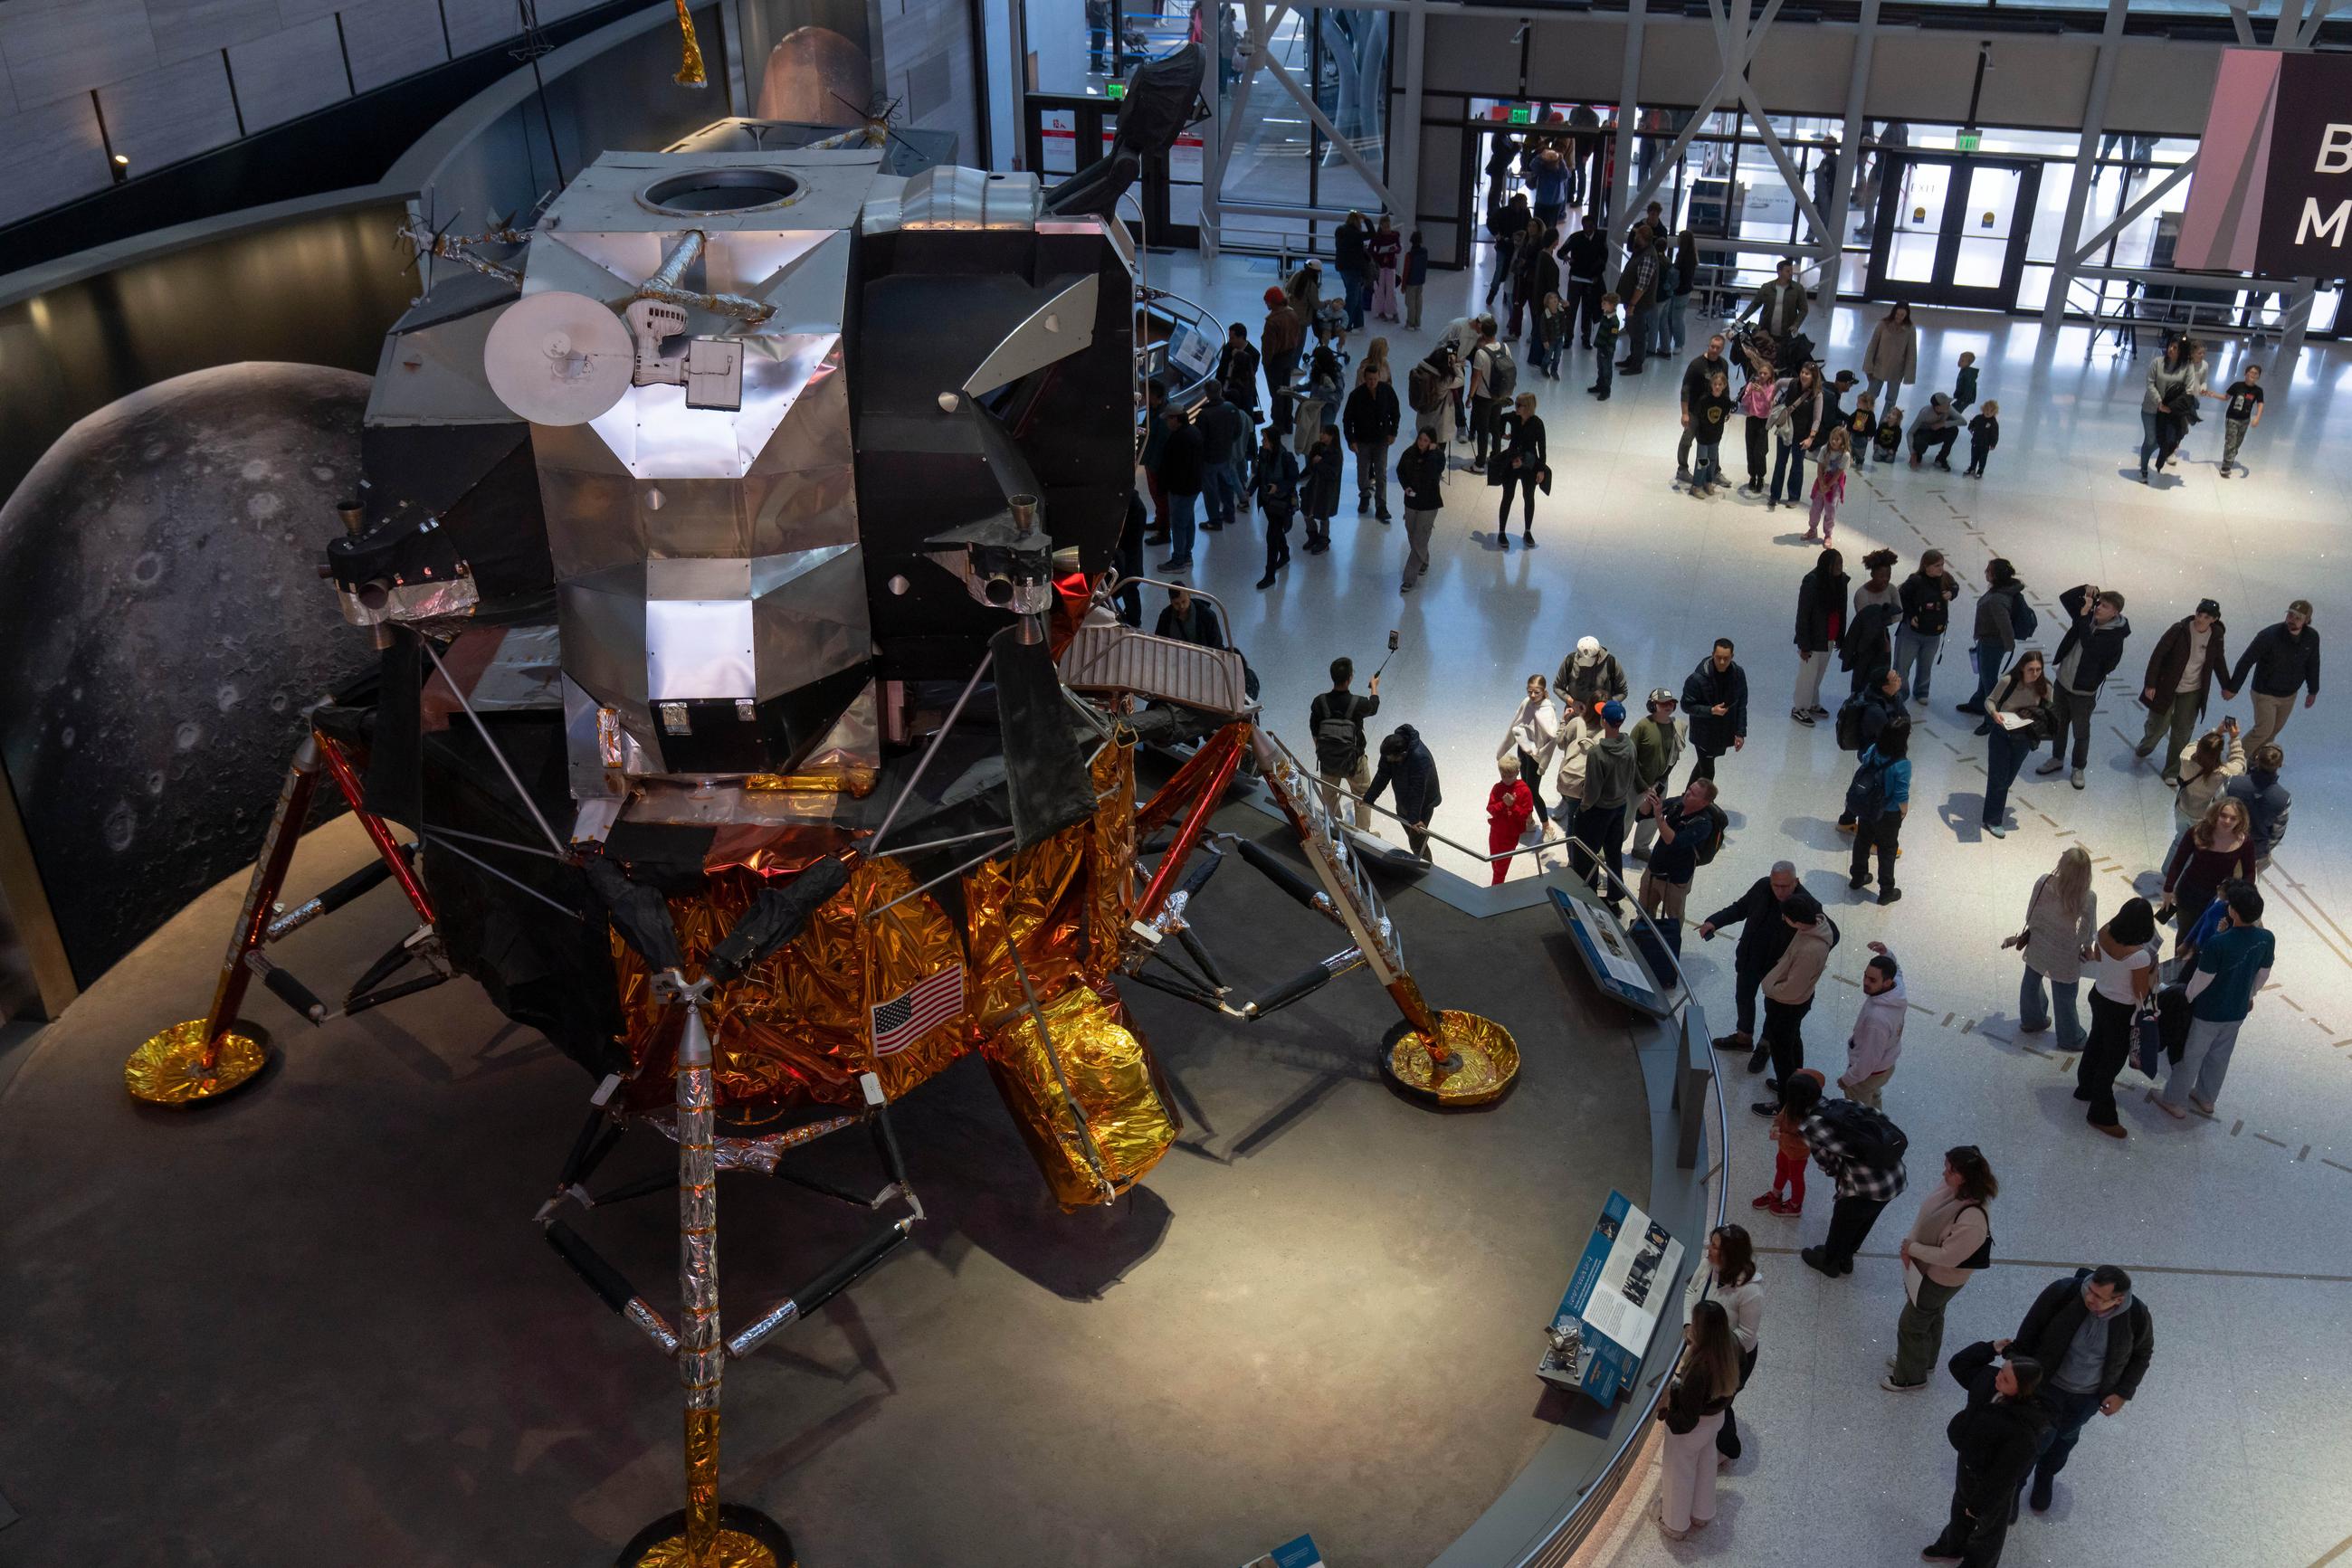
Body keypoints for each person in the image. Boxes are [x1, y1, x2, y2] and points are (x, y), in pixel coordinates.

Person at [1997, 1265, 2154, 1514]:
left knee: (2064, 1439)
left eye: (2099, 1297)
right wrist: (2018, 1371)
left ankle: (2045, 1476)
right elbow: (2030, 1330)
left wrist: (2123, 1393)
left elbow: (2142, 1354)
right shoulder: (2063, 1293)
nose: (2089, 1298)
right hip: (2045, 1387)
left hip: (2087, 1397)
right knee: (2031, 1439)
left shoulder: (2136, 1315)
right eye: (2089, 1290)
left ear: (2118, 1300)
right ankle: (2016, 1484)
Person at [2152, 879, 2273, 1118]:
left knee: (2192, 1056)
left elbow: (2203, 977)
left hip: (2208, 1010)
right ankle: (2207, 1098)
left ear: (2234, 912)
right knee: (2220, 1056)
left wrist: (2186, 996)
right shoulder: (2267, 938)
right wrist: (2250, 995)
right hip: (2237, 1010)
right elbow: (2263, 973)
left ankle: (2174, 1101)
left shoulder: (2219, 942)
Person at [1920, 1347, 2049, 1566]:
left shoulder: (2023, 1431)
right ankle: (1952, 1547)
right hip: (1968, 1465)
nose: (1998, 1377)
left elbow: (2003, 1476)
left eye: (2006, 1379)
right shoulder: (1989, 1382)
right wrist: (1991, 1347)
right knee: (1960, 1509)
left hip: (1990, 1483)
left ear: (2022, 1389)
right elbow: (1959, 1364)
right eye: (2001, 1371)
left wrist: (1979, 1504)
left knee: (1989, 1531)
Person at [1884, 1146, 1998, 1394]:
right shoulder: (1952, 1190)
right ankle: (1922, 1361)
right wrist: (1910, 1245)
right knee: (1931, 1315)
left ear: (1966, 1177)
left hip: (1942, 1278)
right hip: (1926, 1267)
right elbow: (1924, 1216)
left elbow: (1950, 1256)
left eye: (1950, 1170)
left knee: (1912, 1323)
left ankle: (1910, 1377)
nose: (1943, 1174)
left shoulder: (1973, 1220)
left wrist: (1913, 1249)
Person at [1790, 1070, 1906, 1276]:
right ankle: (1847, 1257)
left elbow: (1828, 1163)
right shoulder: (1843, 1104)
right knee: (1865, 1221)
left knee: (1843, 1222)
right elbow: (1880, 1117)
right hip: (1895, 1176)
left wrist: (1842, 1177)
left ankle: (1830, 1262)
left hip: (1865, 1187)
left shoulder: (1811, 1125)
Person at [1655, 1299, 1741, 1540]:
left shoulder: (1699, 1369)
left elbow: (1684, 1421)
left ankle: (1674, 1524)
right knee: (1706, 1462)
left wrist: (1666, 1409)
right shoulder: (1732, 1346)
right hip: (1715, 1420)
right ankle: (1702, 1513)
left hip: (1692, 1429)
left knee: (1678, 1472)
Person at [1701, 860, 1799, 1059]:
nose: (1779, 892)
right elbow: (1741, 908)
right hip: (1750, 958)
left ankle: (1765, 1045)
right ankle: (1743, 1037)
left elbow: (1831, 934)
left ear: (1795, 882)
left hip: (1778, 969)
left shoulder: (1806, 903)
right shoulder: (1763, 886)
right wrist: (1715, 921)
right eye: (1775, 885)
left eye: (1784, 886)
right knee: (1744, 997)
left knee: (1773, 1007)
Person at [1681, 1224, 1764, 1461]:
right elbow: (1690, 1291)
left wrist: (1709, 1341)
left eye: (1715, 1246)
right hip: (1705, 1351)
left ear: (1730, 1253)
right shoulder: (1708, 1266)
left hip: (1732, 1360)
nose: (1709, 1249)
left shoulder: (1751, 1292)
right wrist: (1689, 1325)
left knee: (1721, 1402)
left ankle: (1728, 1448)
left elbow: (1747, 1336)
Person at [2036, 584, 2129, 790]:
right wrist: (2087, 589)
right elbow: (2066, 597)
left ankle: (2078, 767)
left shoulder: (2114, 636)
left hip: (2084, 691)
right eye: (2099, 604)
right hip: (2063, 682)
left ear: (2115, 612)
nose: (2098, 608)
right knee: (2059, 724)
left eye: (2104, 606)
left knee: (2081, 732)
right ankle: (2057, 758)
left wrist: (2084, 616)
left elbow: (2090, 647)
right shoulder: (2087, 617)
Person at [2008, 846, 2099, 1053]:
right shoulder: (2088, 898)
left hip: (2038, 945)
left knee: (2030, 983)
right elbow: (2085, 933)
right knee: (2065, 997)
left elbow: (2030, 916)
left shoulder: (2043, 882)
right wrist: (2087, 948)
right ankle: (2070, 1037)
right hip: (2066, 956)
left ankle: (2032, 1020)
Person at [2080, 898, 2157, 1137]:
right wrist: (2154, 974)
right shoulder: (2139, 957)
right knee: (2112, 1060)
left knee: (2096, 1042)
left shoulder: (2105, 932)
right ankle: (2101, 1114)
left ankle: (2085, 1087)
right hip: (2121, 1010)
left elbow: (2099, 958)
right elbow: (2140, 993)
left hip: (2099, 996)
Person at [1755, 891, 1838, 1114]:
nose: (1784, 920)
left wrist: (1769, 988)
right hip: (1797, 1002)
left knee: (1782, 1055)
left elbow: (1792, 989)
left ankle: (1785, 1103)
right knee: (1793, 1043)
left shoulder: (1811, 949)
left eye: (1786, 917)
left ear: (1798, 921)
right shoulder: (1816, 927)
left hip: (1787, 1005)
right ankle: (1793, 1085)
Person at [2134, 597, 2230, 784]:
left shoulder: (2216, 636)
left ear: (2214, 619)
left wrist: (2227, 686)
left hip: (2193, 690)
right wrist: (2150, 684)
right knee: (2158, 726)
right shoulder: (2179, 630)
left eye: (2206, 616)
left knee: (2183, 731)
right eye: (2199, 614)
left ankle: (2171, 771)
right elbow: (2158, 656)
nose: (2201, 619)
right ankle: (2145, 746)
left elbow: (2219, 661)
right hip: (2167, 687)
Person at [2224, 599, 2319, 756]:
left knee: (2274, 730)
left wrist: (2313, 690)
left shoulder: (2312, 638)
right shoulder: (2269, 636)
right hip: (2264, 692)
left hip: (2289, 694)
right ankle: (2236, 759)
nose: (2292, 620)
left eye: (2297, 618)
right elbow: (2246, 661)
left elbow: (2313, 663)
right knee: (2263, 730)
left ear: (2307, 621)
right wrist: (2233, 688)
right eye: (2290, 615)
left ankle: (2258, 760)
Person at [2160, 797, 2259, 946]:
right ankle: (2180, 965)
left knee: (2210, 936)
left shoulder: (2244, 842)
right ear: (2215, 814)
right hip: (2189, 892)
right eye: (2223, 815)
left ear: (2240, 820)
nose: (2227, 821)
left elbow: (2249, 872)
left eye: (2233, 818)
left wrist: (2239, 898)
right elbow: (2178, 861)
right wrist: (2168, 888)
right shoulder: (2197, 832)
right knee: (2185, 934)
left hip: (2220, 897)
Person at [1635, 776, 1717, 949]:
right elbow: (1642, 814)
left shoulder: (1703, 824)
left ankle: (1670, 949)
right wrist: (1649, 801)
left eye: (1694, 794)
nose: (1688, 794)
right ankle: (1641, 938)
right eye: (1689, 789)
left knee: (1673, 918)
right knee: (1643, 908)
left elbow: (1672, 841)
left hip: (1676, 879)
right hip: (1654, 869)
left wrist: (1659, 817)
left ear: (1704, 802)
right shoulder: (1677, 804)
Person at [1979, 649, 2049, 838]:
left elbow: (2050, 710)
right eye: (2031, 669)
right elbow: (1990, 700)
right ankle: (1992, 819)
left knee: (2007, 778)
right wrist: (1994, 714)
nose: (2035, 674)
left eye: (2038, 670)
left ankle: (1994, 804)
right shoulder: (2008, 682)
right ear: (2022, 668)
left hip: (2024, 737)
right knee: (1999, 779)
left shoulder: (2044, 687)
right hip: (2002, 734)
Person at [1570, 700, 1637, 897]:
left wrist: (1583, 808)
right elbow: (1632, 775)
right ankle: (1616, 893)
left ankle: (1587, 896)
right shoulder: (1630, 745)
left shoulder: (1597, 753)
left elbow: (1592, 790)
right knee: (1613, 852)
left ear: (1603, 721)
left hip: (1598, 811)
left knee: (1586, 854)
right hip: (1620, 807)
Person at [1846, 718, 1910, 905]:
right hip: (1888, 813)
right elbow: (1901, 794)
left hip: (1867, 806)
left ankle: (1858, 877)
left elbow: (1865, 762)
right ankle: (1886, 891)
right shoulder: (1902, 764)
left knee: (1862, 839)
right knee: (1887, 849)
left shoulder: (1874, 749)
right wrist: (1903, 813)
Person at [1309, 658, 1379, 822]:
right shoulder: (1358, 703)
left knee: (1329, 795)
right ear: (1350, 678)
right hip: (1354, 761)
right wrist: (1374, 686)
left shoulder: (1319, 702)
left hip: (1328, 761)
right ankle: (1363, 834)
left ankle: (1335, 826)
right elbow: (1374, 707)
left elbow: (1314, 731)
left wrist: (1324, 753)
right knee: (1361, 794)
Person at [1959, 558, 2030, 716]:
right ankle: (1978, 703)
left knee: (1989, 681)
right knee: (1984, 678)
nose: (1985, 572)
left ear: (1996, 575)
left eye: (1988, 570)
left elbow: (2005, 625)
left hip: (1993, 644)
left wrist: (2008, 645)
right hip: (1987, 641)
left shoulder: (1998, 598)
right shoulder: (2001, 590)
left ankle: (1991, 717)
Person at [1838, 941, 1905, 1104]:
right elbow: (1898, 972)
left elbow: (1869, 1058)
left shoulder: (1877, 1019)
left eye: (1873, 980)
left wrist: (1848, 1079)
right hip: (1886, 1065)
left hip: (1868, 1075)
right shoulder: (1897, 989)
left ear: (1887, 982)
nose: (1866, 982)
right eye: (1865, 976)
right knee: (1873, 1097)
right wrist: (1886, 954)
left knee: (1857, 1111)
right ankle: (1878, 1122)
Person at [1366, 724, 1441, 860]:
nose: (1388, 760)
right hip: (1403, 801)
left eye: (1390, 758)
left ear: (1403, 754)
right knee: (1414, 838)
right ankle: (1423, 859)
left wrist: (1415, 819)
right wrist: (1369, 798)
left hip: (1422, 806)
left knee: (1416, 843)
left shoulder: (1420, 758)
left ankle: (1426, 868)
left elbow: (1418, 790)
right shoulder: (1391, 749)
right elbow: (1382, 774)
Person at [1756, 1064, 1823, 1214]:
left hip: (1797, 1156)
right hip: (1784, 1148)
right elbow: (1781, 1116)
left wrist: (1782, 1136)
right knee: (1781, 1169)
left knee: (1796, 1178)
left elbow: (1803, 1141)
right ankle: (1776, 1193)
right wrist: (1776, 1126)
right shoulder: (1792, 1104)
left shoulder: (1810, 1118)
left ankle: (1795, 1204)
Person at [1792, 547, 1848, 726]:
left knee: (1819, 673)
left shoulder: (1840, 581)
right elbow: (1803, 615)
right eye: (1836, 563)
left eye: (1841, 563)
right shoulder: (1812, 583)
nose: (1839, 567)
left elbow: (1842, 610)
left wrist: (1840, 636)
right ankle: (1800, 707)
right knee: (1807, 675)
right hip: (1814, 638)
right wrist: (1804, 644)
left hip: (1829, 636)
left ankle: (1813, 702)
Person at [1895, 550, 1958, 705]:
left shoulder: (1945, 579)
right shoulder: (1915, 581)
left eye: (1942, 565)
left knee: (1926, 666)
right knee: (1902, 666)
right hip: (1911, 633)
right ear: (1926, 566)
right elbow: (1901, 597)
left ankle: (1922, 691)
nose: (1941, 568)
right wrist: (1911, 615)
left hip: (1933, 634)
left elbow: (1955, 586)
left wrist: (1952, 593)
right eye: (1937, 566)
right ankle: (1900, 693)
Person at [1682, 639, 1748, 782]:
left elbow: (1742, 704)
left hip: (1723, 732)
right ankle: (1702, 801)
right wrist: (1711, 711)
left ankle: (1687, 799)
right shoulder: (1697, 678)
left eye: (1726, 658)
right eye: (1719, 658)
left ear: (1732, 656)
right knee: (1707, 773)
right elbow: (1686, 706)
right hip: (1703, 734)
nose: (1723, 662)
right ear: (1712, 654)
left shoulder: (1738, 674)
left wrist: (1740, 732)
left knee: (1703, 767)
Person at [1627, 689, 1684, 857]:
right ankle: (1611, 847)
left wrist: (1660, 782)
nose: (1669, 706)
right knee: (1626, 816)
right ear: (1653, 705)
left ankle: (1641, 848)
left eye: (1671, 703)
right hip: (1635, 782)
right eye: (1663, 703)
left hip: (1659, 783)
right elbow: (1630, 757)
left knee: (1652, 817)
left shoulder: (1677, 727)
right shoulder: (1643, 726)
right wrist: (1643, 786)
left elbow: (1674, 758)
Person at [1342, 363, 1400, 525]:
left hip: (1381, 440)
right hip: (1362, 441)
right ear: (1364, 378)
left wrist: (1393, 432)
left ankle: (1381, 506)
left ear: (1379, 378)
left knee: (1381, 474)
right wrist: (1351, 440)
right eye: (1369, 379)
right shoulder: (1356, 396)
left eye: (1375, 379)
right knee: (1362, 472)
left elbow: (1395, 412)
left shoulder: (1387, 392)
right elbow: (1347, 419)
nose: (1372, 382)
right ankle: (1365, 496)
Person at [1505, 674, 1563, 825]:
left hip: (1536, 756)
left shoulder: (1547, 710)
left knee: (1533, 791)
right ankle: (1529, 819)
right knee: (1524, 786)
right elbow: (1517, 722)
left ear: (1544, 691)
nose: (1532, 695)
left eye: (1536, 692)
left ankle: (1546, 826)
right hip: (1523, 749)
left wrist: (1537, 752)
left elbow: (1552, 737)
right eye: (1529, 691)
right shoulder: (1526, 702)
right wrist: (1519, 739)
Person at [1768, 363, 1827, 512]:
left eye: (1807, 373)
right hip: (1786, 430)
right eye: (1802, 372)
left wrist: (1811, 438)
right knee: (1780, 463)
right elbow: (1779, 382)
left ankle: (1793, 496)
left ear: (1814, 377)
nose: (1803, 375)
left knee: (1797, 465)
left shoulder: (1817, 395)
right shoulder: (1793, 383)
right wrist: (1772, 397)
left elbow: (1817, 419)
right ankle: (1774, 495)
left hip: (1802, 435)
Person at [1674, 334, 1732, 485]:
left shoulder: (1723, 365)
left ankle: (1714, 472)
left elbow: (1726, 388)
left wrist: (1727, 409)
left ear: (1722, 349)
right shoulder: (1696, 364)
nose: (1714, 350)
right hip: (1695, 411)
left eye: (1717, 348)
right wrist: (1685, 413)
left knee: (1713, 442)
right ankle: (1682, 469)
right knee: (1687, 439)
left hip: (1713, 412)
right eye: (1712, 346)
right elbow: (1685, 389)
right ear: (1708, 345)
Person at [1490, 392, 1546, 546]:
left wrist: (1540, 470)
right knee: (1507, 496)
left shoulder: (1537, 424)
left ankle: (1528, 531)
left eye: (1519, 405)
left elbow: (1542, 449)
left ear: (1527, 407)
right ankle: (1501, 532)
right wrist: (1502, 434)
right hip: (1512, 461)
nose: (1516, 407)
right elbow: (1501, 418)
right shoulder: (1514, 417)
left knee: (1529, 497)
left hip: (1528, 464)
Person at [1395, 428, 1444, 595]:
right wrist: (1406, 487)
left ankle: (1409, 578)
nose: (1422, 443)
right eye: (1420, 439)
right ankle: (1424, 560)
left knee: (1420, 538)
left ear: (1432, 442)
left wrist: (1431, 453)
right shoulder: (1409, 453)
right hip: (1411, 501)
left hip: (1429, 503)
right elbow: (1400, 471)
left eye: (1426, 440)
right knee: (1412, 533)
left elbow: (1433, 473)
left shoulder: (1437, 456)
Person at [2223, 743, 2290, 867]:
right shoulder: (2283, 798)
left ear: (2257, 758)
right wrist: (2264, 849)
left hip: (2225, 843)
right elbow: (2277, 833)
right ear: (2280, 765)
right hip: (2255, 852)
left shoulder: (2232, 783)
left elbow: (2215, 809)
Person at [2138, 337, 2194, 482]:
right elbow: (2150, 383)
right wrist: (2159, 403)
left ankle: (2153, 456)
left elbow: (2189, 389)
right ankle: (2144, 468)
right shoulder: (2157, 362)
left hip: (2171, 413)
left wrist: (2172, 407)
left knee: (2164, 440)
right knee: (2150, 439)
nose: (2171, 349)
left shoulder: (2187, 367)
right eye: (2170, 346)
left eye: (2175, 348)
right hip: (2151, 408)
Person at [1154, 404, 1203, 573]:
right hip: (1193, 486)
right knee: (1188, 521)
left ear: (1175, 418)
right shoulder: (1194, 432)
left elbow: (1173, 466)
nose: (1167, 422)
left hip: (1181, 489)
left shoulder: (1179, 438)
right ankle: (1187, 555)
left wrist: (1164, 485)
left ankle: (1178, 561)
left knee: (1179, 524)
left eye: (1168, 418)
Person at [2172, 720, 2245, 832]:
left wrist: (2216, 732)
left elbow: (2196, 745)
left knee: (2179, 840)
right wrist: (2234, 738)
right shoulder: (2224, 774)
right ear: (2220, 752)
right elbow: (2240, 763)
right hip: (2203, 818)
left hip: (2182, 809)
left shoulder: (2185, 758)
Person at [1252, 426, 1299, 590]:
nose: (1262, 441)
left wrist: (1277, 487)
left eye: (1265, 439)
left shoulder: (1286, 457)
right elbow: (1259, 476)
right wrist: (1249, 491)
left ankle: (1270, 575)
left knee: (1271, 537)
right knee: (1276, 532)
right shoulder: (1264, 455)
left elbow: (1293, 478)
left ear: (1272, 441)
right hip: (1268, 503)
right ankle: (1284, 554)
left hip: (1280, 504)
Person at [1196, 383, 1246, 536]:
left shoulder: (1204, 414)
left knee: (1210, 491)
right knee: (1227, 484)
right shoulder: (1231, 408)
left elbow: (1199, 439)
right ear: (1220, 391)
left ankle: (1215, 521)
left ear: (1207, 394)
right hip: (1225, 454)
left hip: (1209, 458)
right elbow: (1238, 431)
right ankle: (1229, 513)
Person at [1465, 320, 1509, 472]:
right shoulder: (1505, 347)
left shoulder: (1481, 353)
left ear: (1482, 333)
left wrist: (1470, 396)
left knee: (1483, 430)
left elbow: (1475, 378)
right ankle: (1496, 457)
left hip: (1483, 397)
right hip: (1499, 395)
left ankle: (1479, 463)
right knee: (1495, 427)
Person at [1261, 285, 1305, 438]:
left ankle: (1277, 424)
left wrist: (1266, 363)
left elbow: (1269, 347)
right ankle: (1288, 422)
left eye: (1267, 302)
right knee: (1287, 390)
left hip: (1275, 361)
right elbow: (1298, 336)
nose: (1266, 305)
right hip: (1289, 357)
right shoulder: (1292, 314)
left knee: (1276, 393)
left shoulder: (1272, 322)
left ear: (1272, 302)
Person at [1559, 210, 1607, 347]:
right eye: (1585, 226)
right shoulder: (1575, 237)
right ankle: (1568, 337)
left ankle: (1586, 337)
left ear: (1594, 226)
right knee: (1571, 309)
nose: (1588, 229)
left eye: (1590, 226)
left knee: (1588, 309)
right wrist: (1565, 257)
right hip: (1575, 279)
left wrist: (1597, 275)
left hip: (1591, 281)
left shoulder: (1600, 238)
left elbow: (1604, 259)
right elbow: (1561, 252)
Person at [1486, 755, 1535, 885]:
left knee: (1500, 869)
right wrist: (1504, 804)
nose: (1506, 780)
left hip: (1510, 836)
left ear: (1517, 773)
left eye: (1510, 776)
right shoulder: (1497, 787)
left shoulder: (1524, 790)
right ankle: (1497, 887)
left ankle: (1495, 891)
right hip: (1495, 832)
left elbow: (1525, 815)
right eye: (1503, 776)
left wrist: (1512, 805)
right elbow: (1490, 808)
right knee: (1495, 864)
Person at [1617, 227, 1661, 375]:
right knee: (1633, 331)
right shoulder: (1642, 252)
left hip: (1638, 305)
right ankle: (1633, 358)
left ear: (1642, 237)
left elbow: (1642, 285)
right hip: (1633, 303)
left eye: (1636, 235)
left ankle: (1637, 364)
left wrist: (1632, 304)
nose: (1634, 238)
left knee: (1638, 334)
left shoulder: (1648, 256)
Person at [1862, 301, 1918, 411]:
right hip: (1878, 368)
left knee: (1891, 400)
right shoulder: (1883, 324)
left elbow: (1911, 353)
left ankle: (1885, 425)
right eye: (1897, 314)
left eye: (1902, 315)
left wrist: (1909, 375)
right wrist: (1868, 367)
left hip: (1896, 371)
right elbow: (1872, 345)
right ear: (1893, 313)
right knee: (1869, 397)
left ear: (1906, 315)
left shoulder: (1910, 329)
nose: (1899, 317)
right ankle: (1862, 423)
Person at [1737, 257, 1809, 339]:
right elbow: (1754, 305)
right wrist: (1742, 318)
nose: (1791, 273)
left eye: (1791, 270)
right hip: (1766, 331)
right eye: (1788, 271)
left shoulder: (1798, 289)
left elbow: (1804, 309)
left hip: (1786, 332)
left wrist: (1796, 325)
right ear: (1779, 272)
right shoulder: (1766, 288)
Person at [1298, 424, 1342, 556]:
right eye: (1321, 432)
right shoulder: (1317, 447)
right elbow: (1310, 467)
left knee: (1324, 515)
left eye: (1325, 433)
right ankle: (1313, 536)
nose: (1321, 435)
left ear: (1332, 435)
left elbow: (1333, 474)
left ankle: (1323, 540)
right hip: (1313, 486)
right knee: (1306, 512)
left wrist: (1320, 463)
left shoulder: (1336, 453)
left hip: (1326, 490)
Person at [1738, 352, 1777, 495]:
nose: (1761, 376)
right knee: (1750, 449)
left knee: (1759, 451)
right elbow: (1744, 403)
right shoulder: (1752, 385)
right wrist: (1749, 393)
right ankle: (1752, 476)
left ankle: (1761, 476)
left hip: (1763, 421)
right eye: (1760, 373)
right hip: (1752, 419)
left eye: (1765, 374)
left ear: (1770, 375)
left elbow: (1771, 406)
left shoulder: (1772, 388)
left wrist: (1763, 393)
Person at [1807, 424, 1852, 542]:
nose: (1833, 441)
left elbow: (1838, 473)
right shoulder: (1824, 449)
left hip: (1834, 484)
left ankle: (1828, 535)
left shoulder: (1845, 455)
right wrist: (1822, 484)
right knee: (1815, 508)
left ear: (1843, 441)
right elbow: (1820, 467)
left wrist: (1828, 486)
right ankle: (1812, 529)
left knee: (1830, 509)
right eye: (1832, 438)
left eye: (1837, 439)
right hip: (1822, 480)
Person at [2217, 362, 2262, 476]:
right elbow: (2225, 397)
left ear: (2258, 377)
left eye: (2256, 373)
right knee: (2231, 442)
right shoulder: (2237, 386)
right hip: (2232, 418)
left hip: (2245, 420)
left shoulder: (2258, 391)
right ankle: (2226, 466)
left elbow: (2260, 404)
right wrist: (2212, 394)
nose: (2253, 375)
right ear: (2245, 373)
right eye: (2251, 372)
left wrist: (2257, 417)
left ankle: (2230, 459)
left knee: (2237, 443)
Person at [1153, 584, 1224, 649]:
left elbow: (1216, 644)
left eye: (1184, 601)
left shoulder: (1207, 615)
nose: (1181, 606)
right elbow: (1159, 640)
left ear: (1189, 596)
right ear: (1171, 602)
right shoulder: (1165, 616)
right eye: (1176, 603)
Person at [1215, 323, 1262, 418]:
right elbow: (1221, 369)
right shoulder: (1228, 348)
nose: (1230, 341)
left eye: (1232, 338)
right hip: (1225, 390)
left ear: (1241, 337)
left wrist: (1239, 357)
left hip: (1241, 395)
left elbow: (1249, 376)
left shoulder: (1254, 354)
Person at [1368, 214, 1403, 323]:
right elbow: (1370, 250)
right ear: (1381, 226)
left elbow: (1399, 248)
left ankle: (1393, 312)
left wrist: (1396, 249)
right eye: (1385, 227)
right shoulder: (1377, 236)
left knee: (1391, 289)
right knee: (1380, 289)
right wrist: (1378, 255)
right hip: (1380, 266)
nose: (1387, 229)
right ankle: (1380, 311)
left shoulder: (1395, 235)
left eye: (1388, 226)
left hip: (1391, 265)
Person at [1588, 291, 1620, 400]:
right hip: (1601, 347)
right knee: (1600, 368)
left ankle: (1606, 390)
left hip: (1607, 350)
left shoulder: (1614, 321)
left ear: (1612, 305)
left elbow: (1613, 337)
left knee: (1606, 370)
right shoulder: (1605, 315)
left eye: (1605, 303)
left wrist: (1608, 349)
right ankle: (1599, 385)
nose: (1602, 304)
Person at [1399, 229, 1429, 331]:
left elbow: (1406, 271)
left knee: (1410, 303)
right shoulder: (1425, 252)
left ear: (1411, 241)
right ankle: (1417, 322)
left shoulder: (1409, 255)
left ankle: (1410, 322)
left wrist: (1403, 285)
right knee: (1418, 301)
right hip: (1420, 280)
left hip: (1411, 282)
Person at [1963, 400, 2000, 479]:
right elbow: (1972, 423)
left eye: (1991, 411)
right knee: (1974, 456)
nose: (1988, 412)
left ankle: (1980, 470)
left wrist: (1993, 444)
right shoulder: (1978, 418)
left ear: (1994, 413)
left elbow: (1995, 435)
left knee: (1983, 458)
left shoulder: (1993, 423)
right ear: (1983, 409)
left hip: (1985, 445)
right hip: (1975, 442)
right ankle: (1972, 467)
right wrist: (1971, 428)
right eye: (1986, 410)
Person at [1872, 400, 1905, 468]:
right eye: (1890, 413)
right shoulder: (1882, 425)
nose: (1890, 415)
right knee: (1876, 458)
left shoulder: (1898, 430)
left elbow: (1897, 441)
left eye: (1893, 414)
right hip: (1881, 446)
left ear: (1897, 419)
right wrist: (1876, 443)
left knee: (1889, 460)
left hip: (1890, 449)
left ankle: (1890, 455)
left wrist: (1893, 449)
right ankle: (1878, 453)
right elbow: (1877, 435)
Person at [1950, 348, 1978, 414]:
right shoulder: (1964, 371)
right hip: (1961, 398)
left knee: (1954, 412)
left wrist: (1963, 399)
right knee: (1953, 410)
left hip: (1965, 399)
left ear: (1968, 363)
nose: (1959, 362)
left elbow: (1969, 387)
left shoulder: (1968, 374)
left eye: (1962, 361)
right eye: (1959, 359)